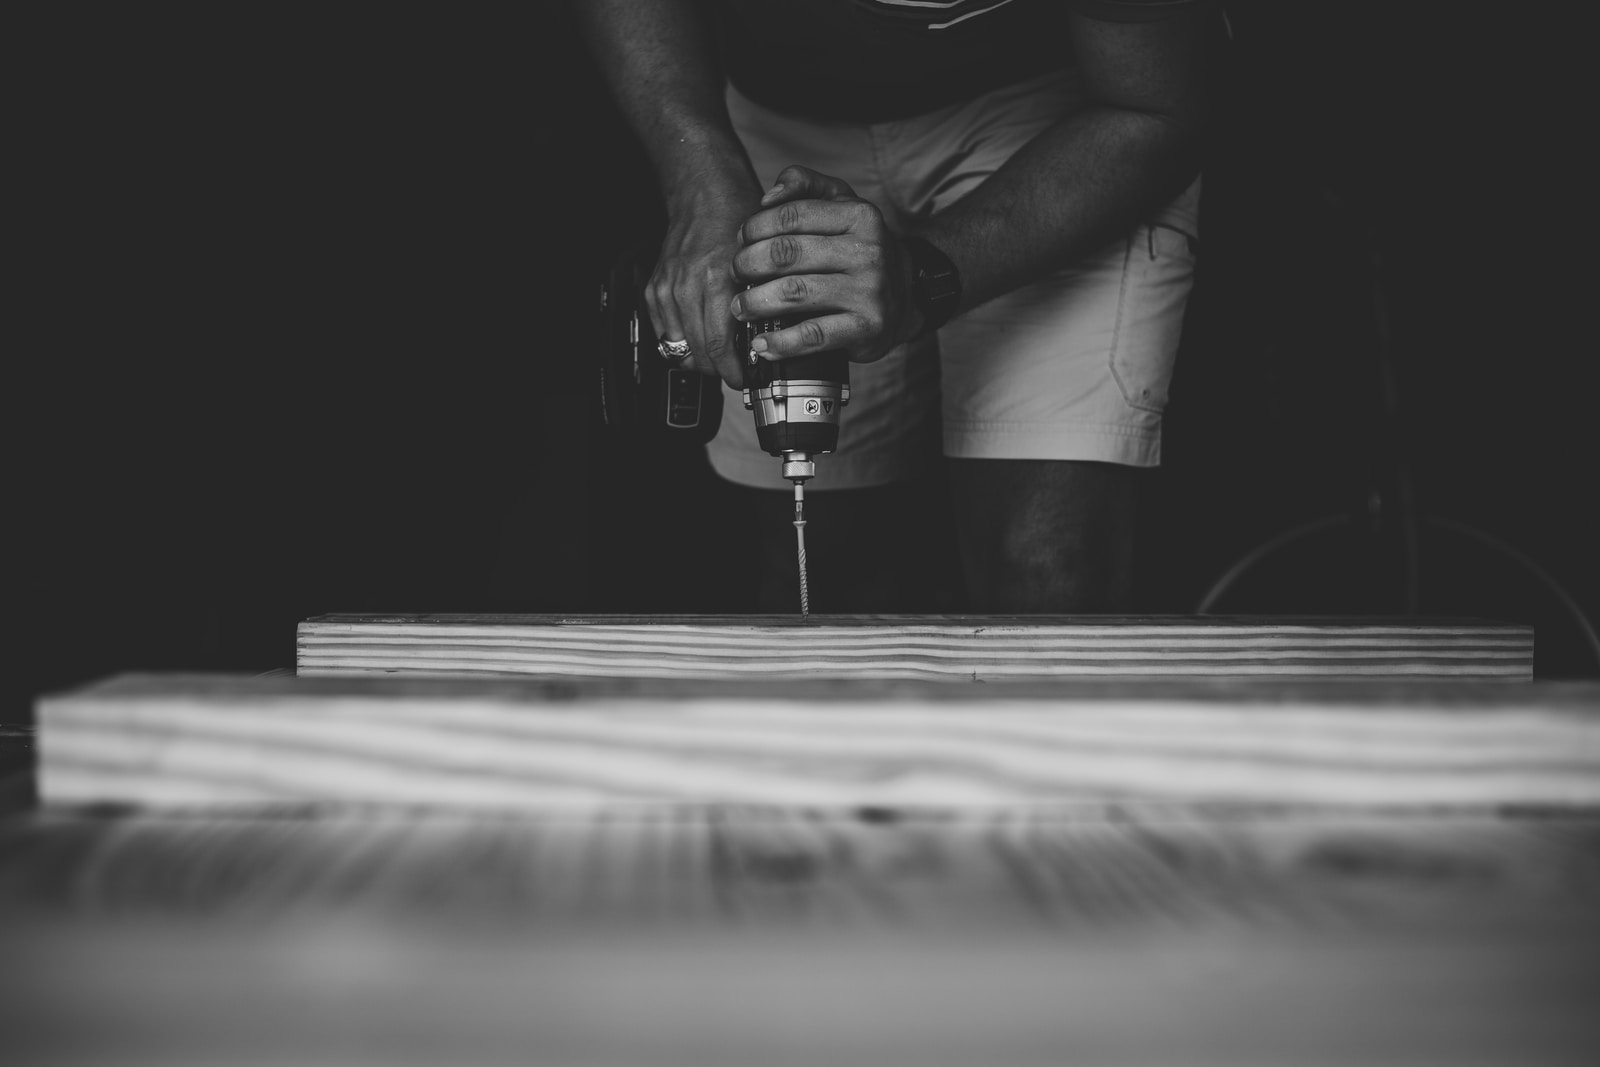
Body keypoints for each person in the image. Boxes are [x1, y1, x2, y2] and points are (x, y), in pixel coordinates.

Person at [578, 0, 1214, 613]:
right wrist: (702, 176)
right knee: (823, 570)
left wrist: (921, 277)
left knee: (1047, 572)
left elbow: (1153, 108)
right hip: (773, 114)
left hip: (1054, 128)